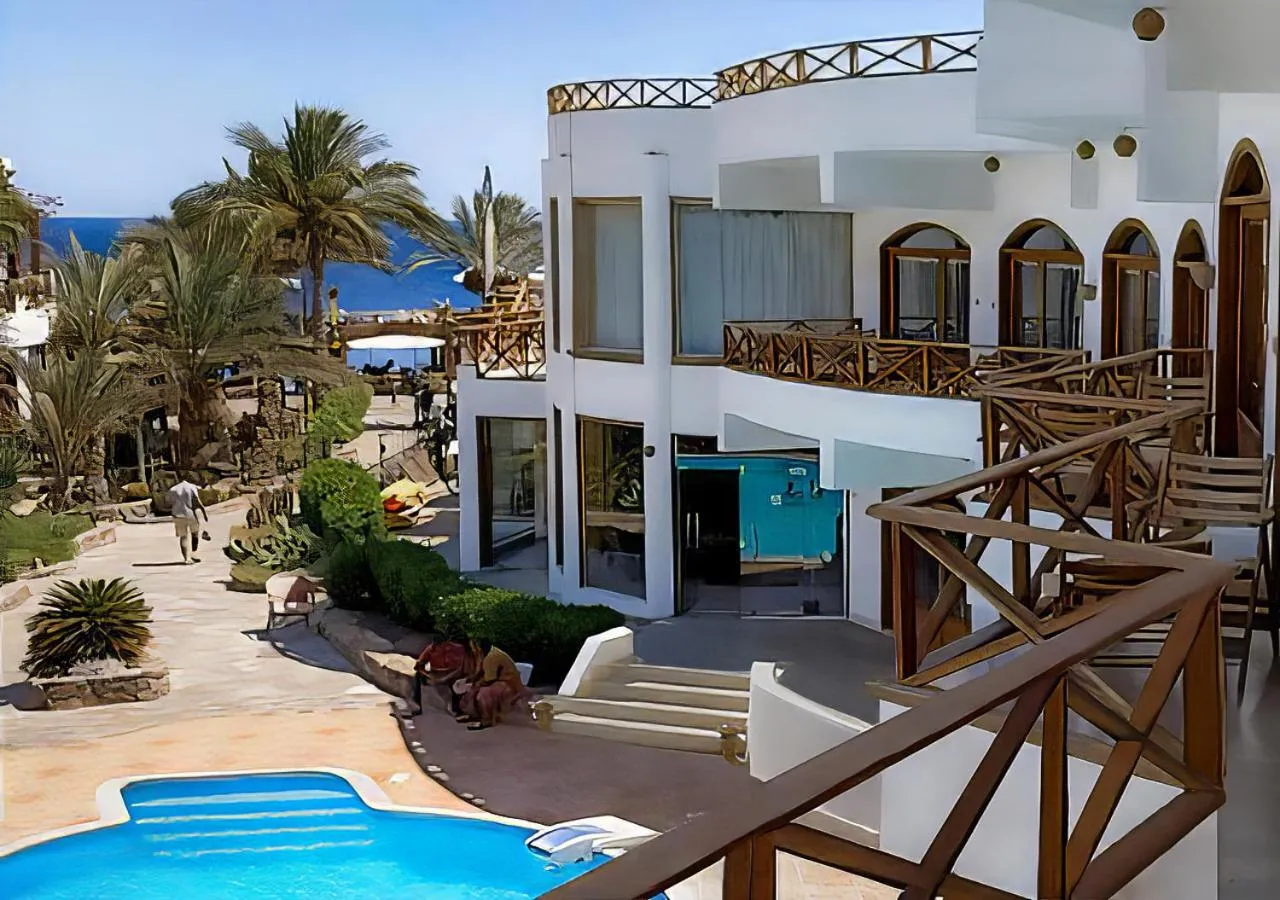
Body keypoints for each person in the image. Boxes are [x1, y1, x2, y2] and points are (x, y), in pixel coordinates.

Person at [459, 638, 527, 731]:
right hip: (498, 680)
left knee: (483, 693)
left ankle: (487, 720)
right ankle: (476, 715)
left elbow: (489, 679)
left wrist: (475, 685)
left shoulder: (493, 656)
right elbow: (479, 672)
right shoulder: (483, 655)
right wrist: (469, 681)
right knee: (473, 690)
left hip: (509, 683)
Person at [167, 475, 209, 564]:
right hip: (190, 513)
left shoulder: (173, 489)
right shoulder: (191, 487)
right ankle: (194, 553)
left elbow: (169, 501)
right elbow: (197, 501)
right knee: (195, 534)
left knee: (183, 536)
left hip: (177, 514)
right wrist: (204, 512)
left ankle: (187, 559)